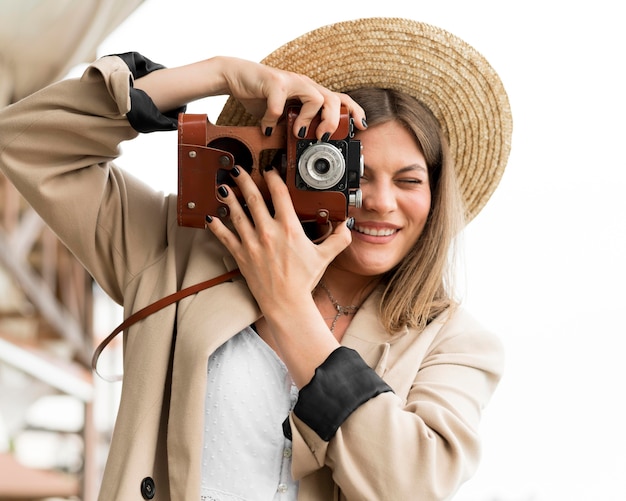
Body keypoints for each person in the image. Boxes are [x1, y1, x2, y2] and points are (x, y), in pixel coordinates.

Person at [0, 17, 512, 501]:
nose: (379, 201)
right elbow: (29, 142)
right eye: (348, 173)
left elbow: (412, 485)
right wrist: (215, 73)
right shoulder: (185, 251)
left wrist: (288, 306)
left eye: (408, 180)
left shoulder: (455, 341)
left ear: (436, 197)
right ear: (296, 167)